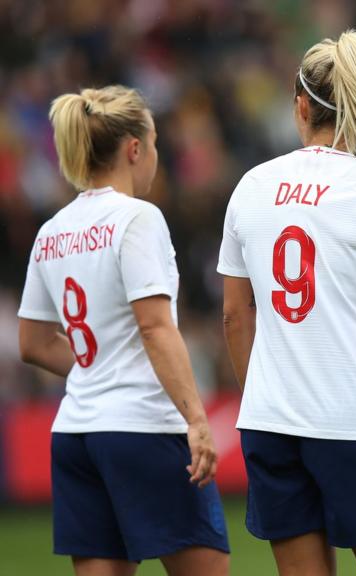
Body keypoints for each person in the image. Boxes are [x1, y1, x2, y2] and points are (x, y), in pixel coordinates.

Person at [218, 31, 356, 576]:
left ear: (301, 105)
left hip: (270, 421)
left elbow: (234, 314)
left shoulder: (251, 186)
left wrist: (267, 396)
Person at [17, 85, 229, 576]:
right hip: (142, 426)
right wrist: (198, 421)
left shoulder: (53, 229)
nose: (156, 156)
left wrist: (98, 366)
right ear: (135, 148)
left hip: (75, 434)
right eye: (154, 144)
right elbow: (155, 328)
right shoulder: (138, 218)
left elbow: (32, 342)